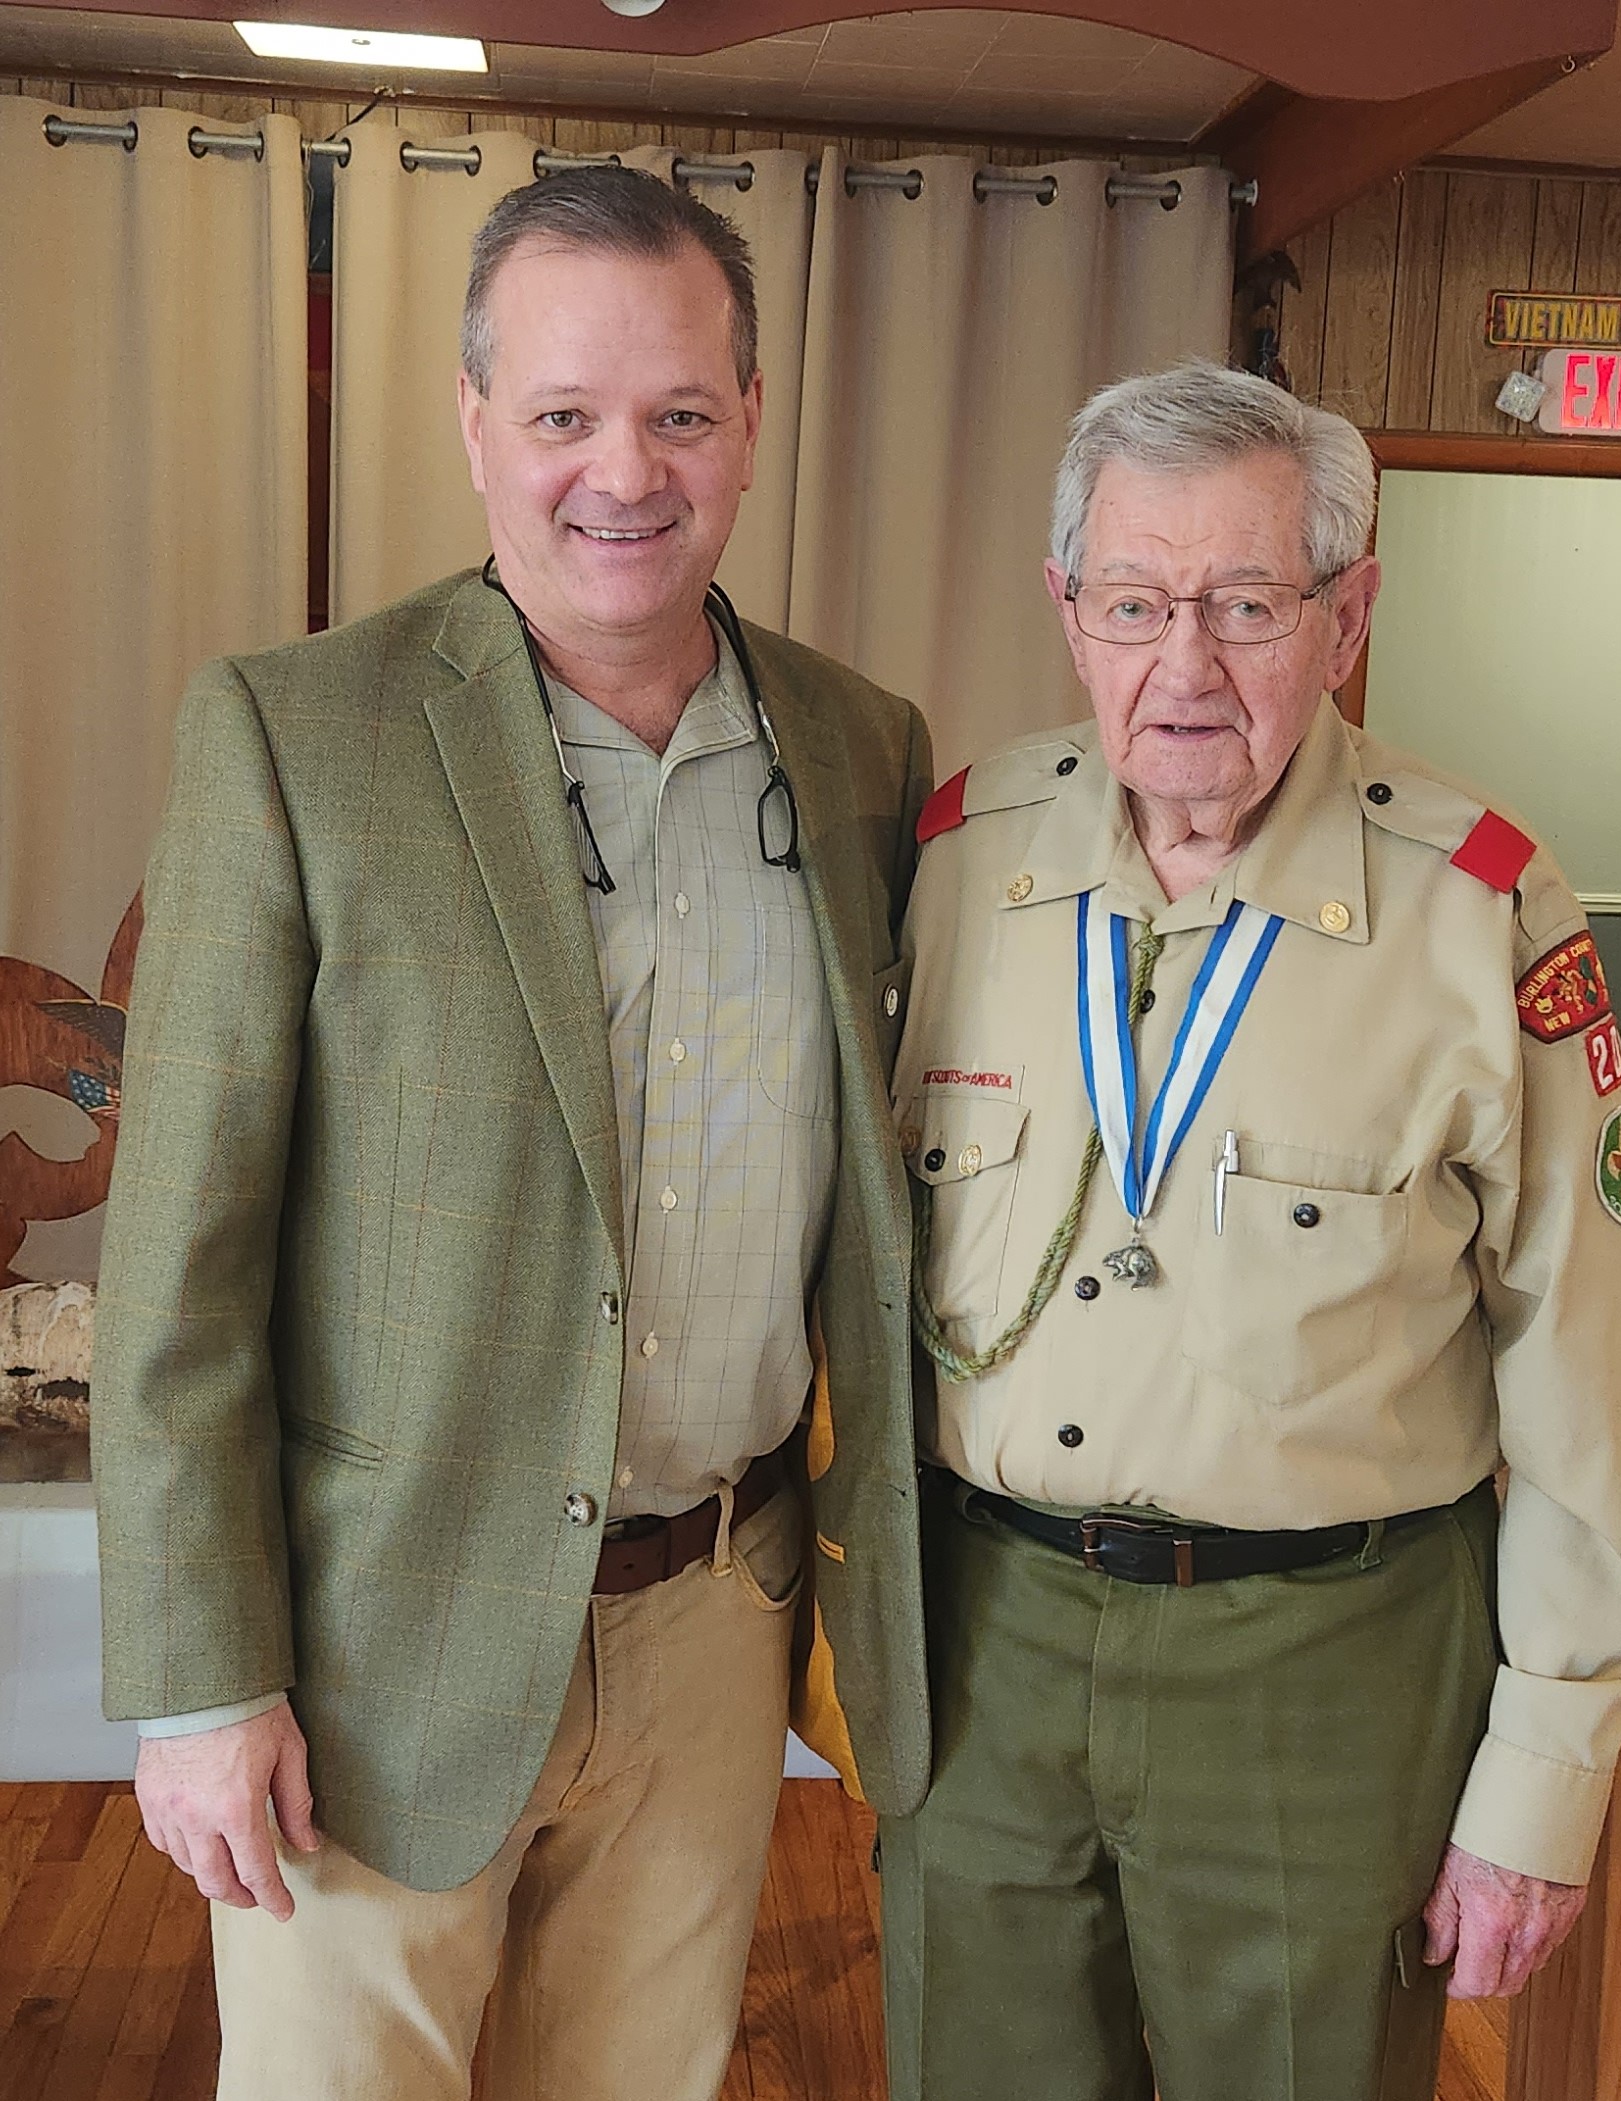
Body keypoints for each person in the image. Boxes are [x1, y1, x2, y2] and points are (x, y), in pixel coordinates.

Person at [91, 165, 931, 2101]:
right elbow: (178, 1268)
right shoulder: (297, 733)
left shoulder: (862, 746)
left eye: (678, 414)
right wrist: (206, 1682)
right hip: (381, 1630)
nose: (619, 470)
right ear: (476, 431)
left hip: (716, 1613)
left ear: (746, 428)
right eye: (562, 414)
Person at [878, 359, 1621, 2101]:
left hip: (1323, 1663)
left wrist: (1540, 1787)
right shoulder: (960, 855)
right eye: (1133, 602)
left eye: (1247, 603)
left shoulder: (1481, 908)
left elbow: (1591, 1381)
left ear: (1347, 616)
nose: (1183, 665)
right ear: (1067, 609)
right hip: (985, 1643)